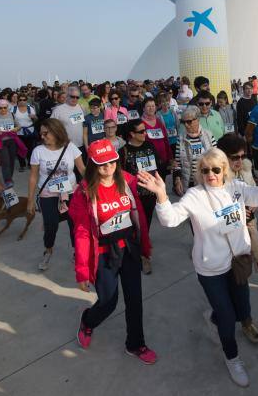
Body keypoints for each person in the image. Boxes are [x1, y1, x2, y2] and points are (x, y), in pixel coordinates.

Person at [137, 144, 258, 387]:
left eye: (216, 169)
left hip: (237, 262)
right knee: (227, 318)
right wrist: (162, 196)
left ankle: (213, 316)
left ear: (224, 169)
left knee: (242, 306)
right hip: (211, 268)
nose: (210, 174)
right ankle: (232, 358)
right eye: (205, 171)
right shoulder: (195, 195)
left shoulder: (235, 188)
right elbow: (170, 219)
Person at [68, 139, 156, 364]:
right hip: (104, 253)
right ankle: (88, 321)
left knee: (134, 299)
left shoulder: (127, 181)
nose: (108, 168)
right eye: (102, 164)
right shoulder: (84, 192)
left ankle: (135, 344)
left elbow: (140, 217)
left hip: (128, 249)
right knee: (108, 301)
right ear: (92, 165)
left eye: (112, 162)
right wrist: (82, 270)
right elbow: (82, 233)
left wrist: (145, 246)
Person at [28, 118, 86, 271]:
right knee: (51, 225)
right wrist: (30, 200)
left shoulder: (71, 147)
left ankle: (77, 252)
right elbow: (33, 176)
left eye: (46, 133)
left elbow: (82, 169)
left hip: (71, 192)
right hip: (48, 194)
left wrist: (92, 185)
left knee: (75, 224)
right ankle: (48, 249)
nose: (42, 136)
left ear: (56, 131)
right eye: (41, 133)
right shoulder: (38, 151)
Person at [216, 133, 258, 287]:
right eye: (235, 157)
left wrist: (254, 205)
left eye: (242, 156)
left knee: (251, 258)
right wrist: (237, 211)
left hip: (249, 223)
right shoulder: (216, 177)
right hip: (228, 232)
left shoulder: (246, 169)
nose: (240, 160)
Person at [121, 118, 163, 274]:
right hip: (134, 197)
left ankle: (143, 252)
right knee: (136, 226)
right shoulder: (124, 151)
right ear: (131, 134)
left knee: (146, 225)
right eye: (141, 131)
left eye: (145, 130)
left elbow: (157, 165)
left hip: (150, 194)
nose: (145, 133)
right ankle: (141, 255)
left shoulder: (150, 146)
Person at [173, 106, 216, 195]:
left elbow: (216, 159)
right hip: (189, 184)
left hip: (207, 181)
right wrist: (177, 180)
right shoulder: (180, 138)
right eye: (183, 122)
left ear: (197, 119)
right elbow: (177, 163)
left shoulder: (208, 135)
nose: (186, 125)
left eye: (189, 121)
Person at [0, 99, 23, 187]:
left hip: (12, 140)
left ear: (8, 108)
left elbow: (19, 125)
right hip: (0, 142)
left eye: (5, 108)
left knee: (11, 161)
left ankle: (10, 177)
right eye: (0, 108)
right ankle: (8, 180)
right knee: (5, 161)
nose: (3, 110)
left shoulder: (12, 115)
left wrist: (16, 129)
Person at [51, 85, 87, 155]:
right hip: (66, 146)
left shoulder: (81, 107)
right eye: (72, 96)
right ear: (67, 96)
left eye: (77, 97)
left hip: (81, 145)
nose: (75, 99)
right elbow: (51, 127)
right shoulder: (58, 110)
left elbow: (85, 125)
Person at [13, 93, 37, 172]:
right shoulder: (13, 109)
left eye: (24, 100)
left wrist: (34, 117)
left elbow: (36, 119)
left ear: (26, 100)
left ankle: (30, 163)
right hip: (18, 133)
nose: (22, 101)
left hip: (30, 132)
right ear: (18, 100)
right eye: (20, 100)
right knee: (20, 149)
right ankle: (22, 165)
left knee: (30, 149)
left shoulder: (30, 108)